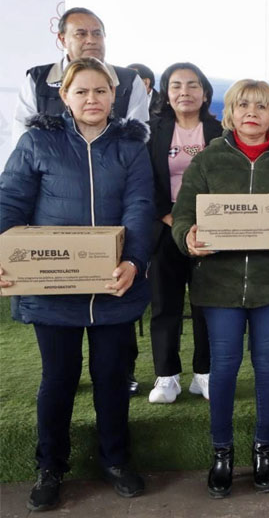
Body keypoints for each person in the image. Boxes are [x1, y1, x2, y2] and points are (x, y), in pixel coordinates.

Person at [0, 58, 154, 511]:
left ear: (114, 96)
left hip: (114, 288)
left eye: (101, 91)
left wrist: (134, 261)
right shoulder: (36, 142)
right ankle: (51, 467)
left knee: (112, 377)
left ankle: (116, 461)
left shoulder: (131, 147)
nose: (93, 100)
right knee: (58, 379)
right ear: (64, 97)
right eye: (82, 92)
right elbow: (10, 201)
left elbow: (140, 207)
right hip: (52, 289)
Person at [171, 79, 269, 498]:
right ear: (230, 112)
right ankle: (221, 453)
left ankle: (264, 451)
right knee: (223, 369)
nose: (251, 112)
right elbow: (184, 214)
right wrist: (188, 237)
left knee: (268, 369)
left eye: (261, 106)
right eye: (243, 104)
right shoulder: (208, 159)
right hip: (219, 285)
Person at [145, 63, 222, 404]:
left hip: (210, 229)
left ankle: (203, 374)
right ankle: (167, 376)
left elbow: (228, 181)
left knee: (208, 303)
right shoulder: (153, 131)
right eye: (176, 85)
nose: (184, 92)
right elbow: (145, 180)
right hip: (165, 226)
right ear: (166, 93)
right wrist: (169, 216)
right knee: (165, 304)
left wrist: (206, 220)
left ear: (205, 93)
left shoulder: (220, 131)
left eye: (192, 85)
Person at [14, 7, 149, 139]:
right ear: (62, 39)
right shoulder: (38, 79)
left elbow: (136, 140)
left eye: (97, 33)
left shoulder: (129, 81)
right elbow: (23, 137)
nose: (91, 40)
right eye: (81, 34)